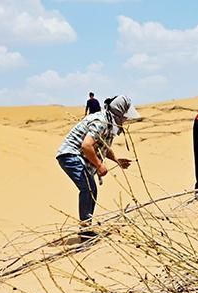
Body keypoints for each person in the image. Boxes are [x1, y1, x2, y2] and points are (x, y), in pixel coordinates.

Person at [57, 95, 141, 239]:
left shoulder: (109, 123)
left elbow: (103, 146)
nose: (126, 120)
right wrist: (99, 165)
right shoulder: (101, 121)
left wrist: (117, 161)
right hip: (70, 155)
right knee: (89, 188)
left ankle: (87, 227)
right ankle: (85, 231)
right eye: (125, 116)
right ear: (119, 113)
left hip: (75, 156)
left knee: (91, 189)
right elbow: (86, 145)